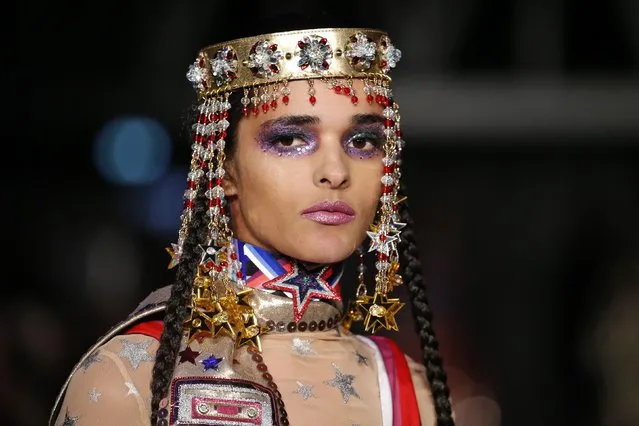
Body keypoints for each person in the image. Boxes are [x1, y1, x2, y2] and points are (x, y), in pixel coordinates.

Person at [50, 13, 456, 426]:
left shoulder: (410, 389)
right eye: (290, 139)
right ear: (223, 168)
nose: (335, 171)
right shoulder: (131, 378)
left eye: (363, 141)